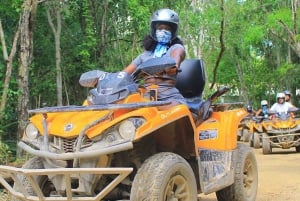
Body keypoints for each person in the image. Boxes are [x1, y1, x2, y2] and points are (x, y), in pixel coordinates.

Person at [123, 8, 186, 110]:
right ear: (154, 30)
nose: (163, 31)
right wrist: (111, 79)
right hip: (145, 97)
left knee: (178, 112)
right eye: (160, 28)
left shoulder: (176, 48)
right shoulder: (145, 55)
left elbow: (177, 56)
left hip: (169, 97)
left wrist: (173, 65)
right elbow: (124, 73)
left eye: (167, 29)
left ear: (173, 31)